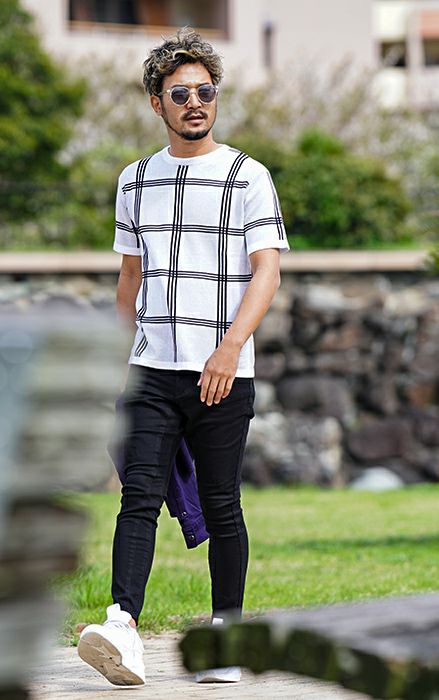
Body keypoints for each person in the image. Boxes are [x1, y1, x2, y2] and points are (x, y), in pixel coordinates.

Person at [77, 27, 289, 687]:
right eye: (180, 93)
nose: (195, 102)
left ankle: (227, 636)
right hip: (151, 370)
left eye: (205, 91)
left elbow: (267, 270)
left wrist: (229, 348)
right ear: (156, 103)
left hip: (223, 371)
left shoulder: (247, 175)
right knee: (138, 496)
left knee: (221, 504)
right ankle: (122, 626)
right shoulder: (135, 180)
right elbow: (130, 278)